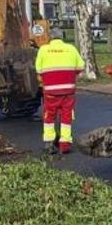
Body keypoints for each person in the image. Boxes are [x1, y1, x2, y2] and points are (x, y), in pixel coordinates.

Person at [35, 24, 85, 154]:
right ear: (62, 37)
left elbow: (39, 70)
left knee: (49, 117)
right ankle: (65, 145)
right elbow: (80, 66)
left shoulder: (43, 50)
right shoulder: (71, 49)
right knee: (66, 117)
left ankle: (49, 144)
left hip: (51, 91)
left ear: (50, 38)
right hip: (68, 91)